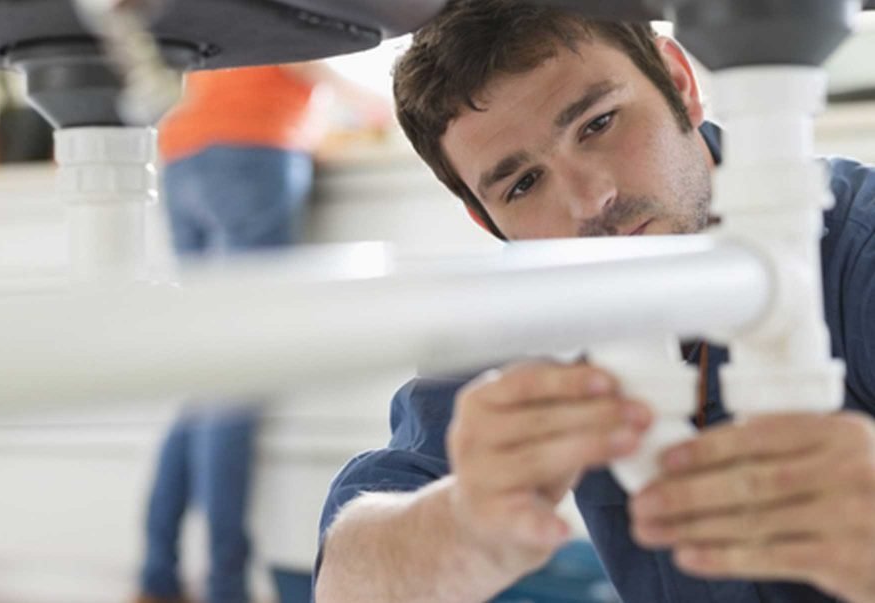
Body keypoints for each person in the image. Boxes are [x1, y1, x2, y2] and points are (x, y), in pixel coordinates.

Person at [313, 2, 875, 602]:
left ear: (681, 85)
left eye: (599, 123)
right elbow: (348, 582)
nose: (591, 201)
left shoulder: (857, 247)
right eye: (523, 184)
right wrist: (462, 520)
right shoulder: (530, 307)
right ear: (487, 221)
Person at [135, 63, 389, 603]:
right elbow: (304, 55)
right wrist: (379, 103)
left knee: (209, 378)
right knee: (235, 377)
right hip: (252, 147)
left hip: (182, 152)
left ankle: (157, 577)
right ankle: (227, 587)